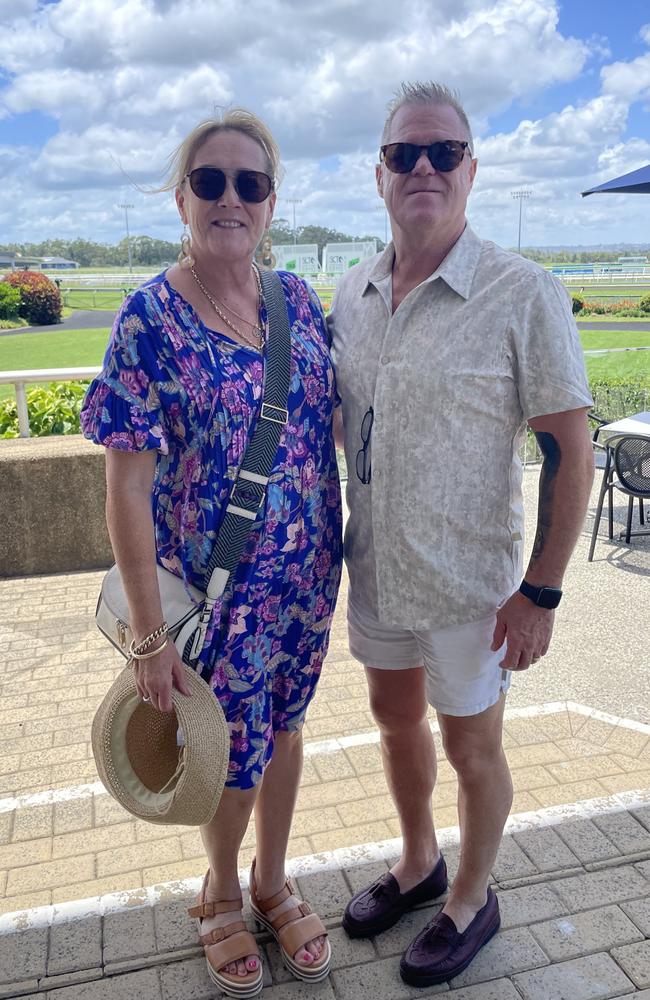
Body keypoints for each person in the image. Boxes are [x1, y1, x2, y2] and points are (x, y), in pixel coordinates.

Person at [328, 81, 594, 988]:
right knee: (395, 722)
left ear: (472, 169)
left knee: (471, 748)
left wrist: (544, 590)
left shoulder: (524, 293)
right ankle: (417, 862)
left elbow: (571, 452)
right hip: (376, 576)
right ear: (380, 176)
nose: (424, 168)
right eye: (406, 154)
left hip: (474, 591)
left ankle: (473, 897)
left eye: (444, 152)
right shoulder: (352, 293)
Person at [81, 108, 342, 998]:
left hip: (308, 582)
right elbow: (124, 487)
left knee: (289, 729)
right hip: (215, 593)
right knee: (230, 749)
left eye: (252, 183)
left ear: (272, 203)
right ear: (182, 197)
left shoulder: (299, 303)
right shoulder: (148, 318)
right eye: (212, 181)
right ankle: (223, 890)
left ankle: (272, 877)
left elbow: (329, 422)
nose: (232, 198)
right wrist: (149, 638)